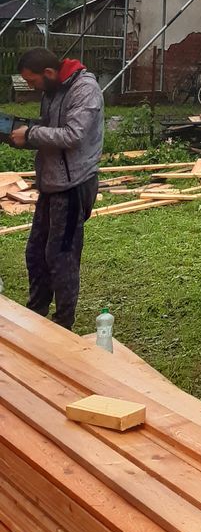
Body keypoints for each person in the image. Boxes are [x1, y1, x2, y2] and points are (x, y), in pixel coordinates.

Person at [9, 47, 105, 329]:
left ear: (49, 73)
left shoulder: (85, 90)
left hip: (74, 185)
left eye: (32, 81)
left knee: (61, 256)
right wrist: (21, 135)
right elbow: (51, 131)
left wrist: (30, 134)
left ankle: (63, 323)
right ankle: (36, 312)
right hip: (51, 183)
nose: (31, 87)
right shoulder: (52, 90)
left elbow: (73, 135)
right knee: (36, 253)